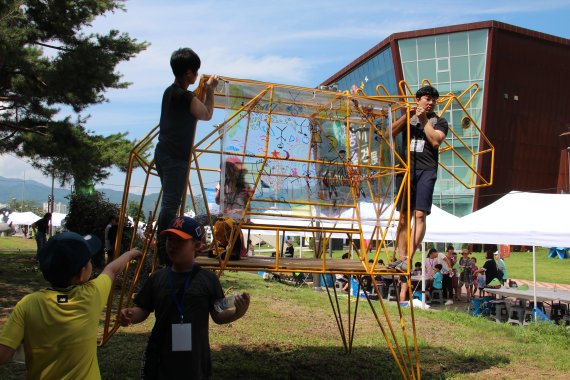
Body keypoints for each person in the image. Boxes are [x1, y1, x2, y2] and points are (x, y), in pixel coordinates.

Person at [118, 216, 251, 379]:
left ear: (197, 246)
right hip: (160, 360)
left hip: (195, 363)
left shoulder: (208, 279)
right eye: (169, 239)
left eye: (179, 240)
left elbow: (218, 314)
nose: (172, 245)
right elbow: (143, 309)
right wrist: (130, 315)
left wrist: (238, 312)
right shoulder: (157, 278)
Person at [0, 232, 142, 378]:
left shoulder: (28, 304)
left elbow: (3, 354)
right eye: (89, 261)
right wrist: (131, 254)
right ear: (82, 273)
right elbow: (111, 270)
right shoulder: (91, 295)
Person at [155, 47, 219, 265]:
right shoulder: (184, 96)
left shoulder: (168, 92)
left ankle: (165, 247)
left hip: (163, 152)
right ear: (188, 73)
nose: (198, 76)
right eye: (196, 71)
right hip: (175, 157)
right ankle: (165, 253)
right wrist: (210, 90)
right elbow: (207, 114)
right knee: (171, 205)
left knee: (170, 203)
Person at [388, 86, 448, 300]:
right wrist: (408, 115)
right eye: (426, 99)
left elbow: (435, 140)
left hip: (427, 171)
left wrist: (423, 120)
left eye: (433, 100)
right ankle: (402, 257)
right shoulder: (408, 116)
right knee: (403, 216)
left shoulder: (439, 121)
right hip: (405, 170)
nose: (430, 103)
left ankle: (408, 257)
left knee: (419, 214)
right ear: (418, 99)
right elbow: (389, 133)